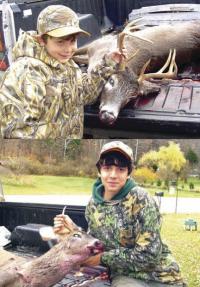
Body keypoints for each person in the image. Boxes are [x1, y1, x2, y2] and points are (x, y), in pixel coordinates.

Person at [54, 141, 186, 287]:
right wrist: (72, 230)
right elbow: (97, 242)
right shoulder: (93, 205)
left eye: (121, 169)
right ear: (99, 170)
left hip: (161, 276)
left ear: (128, 173)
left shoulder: (141, 199)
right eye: (107, 168)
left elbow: (149, 255)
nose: (113, 175)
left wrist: (101, 258)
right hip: (125, 275)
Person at [0, 5, 124, 139]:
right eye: (60, 42)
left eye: (73, 41)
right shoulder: (27, 72)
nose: (68, 49)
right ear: (42, 40)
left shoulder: (67, 65)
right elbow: (14, 134)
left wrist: (108, 63)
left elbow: (84, 94)